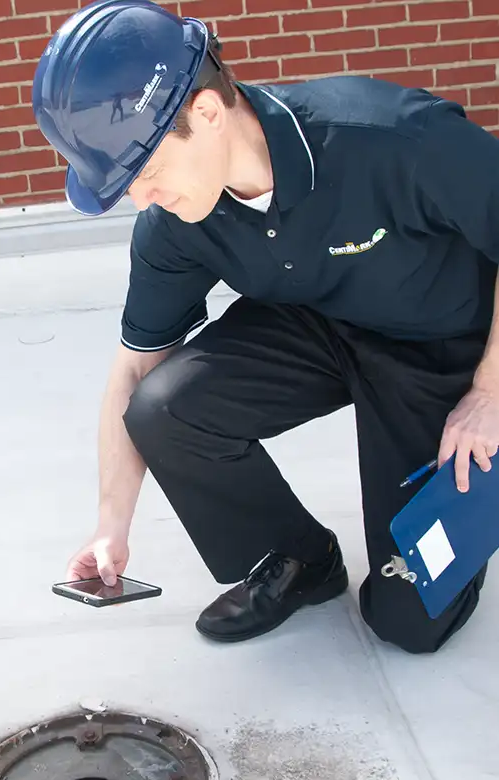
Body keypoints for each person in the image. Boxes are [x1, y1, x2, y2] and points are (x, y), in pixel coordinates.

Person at [31, 0, 499, 654]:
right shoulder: (174, 224)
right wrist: (112, 523)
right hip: (317, 325)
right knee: (163, 408)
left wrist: (489, 393)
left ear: (207, 113)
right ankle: (298, 559)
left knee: (410, 624)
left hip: (438, 349)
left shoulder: (391, 139)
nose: (139, 197)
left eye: (146, 170)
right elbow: (134, 367)